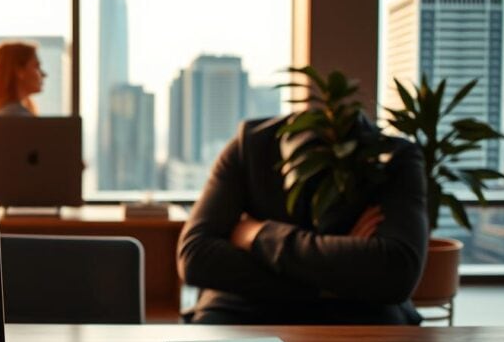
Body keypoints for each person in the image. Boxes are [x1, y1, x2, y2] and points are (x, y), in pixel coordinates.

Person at [177, 114, 428, 325]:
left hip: (359, 314)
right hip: (242, 308)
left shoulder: (392, 155)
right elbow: (195, 258)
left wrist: (259, 236)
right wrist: (335, 278)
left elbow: (397, 271)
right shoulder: (251, 144)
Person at [0, 42, 46, 118]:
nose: (43, 74)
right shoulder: (15, 116)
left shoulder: (9, 113)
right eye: (36, 66)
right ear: (19, 71)